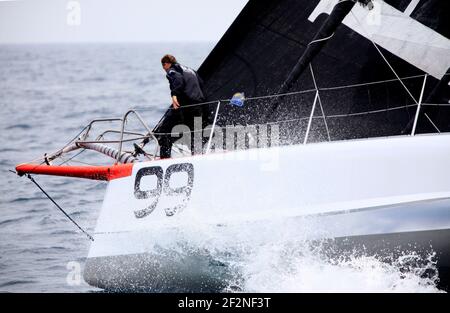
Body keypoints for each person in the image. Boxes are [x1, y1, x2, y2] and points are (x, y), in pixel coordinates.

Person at [154, 54, 206, 159]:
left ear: (167, 64)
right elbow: (201, 83)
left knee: (164, 132)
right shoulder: (189, 70)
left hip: (186, 107)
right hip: (199, 105)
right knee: (195, 134)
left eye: (163, 65)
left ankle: (164, 160)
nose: (163, 68)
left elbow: (178, 80)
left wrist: (174, 95)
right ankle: (197, 159)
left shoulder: (172, 71)